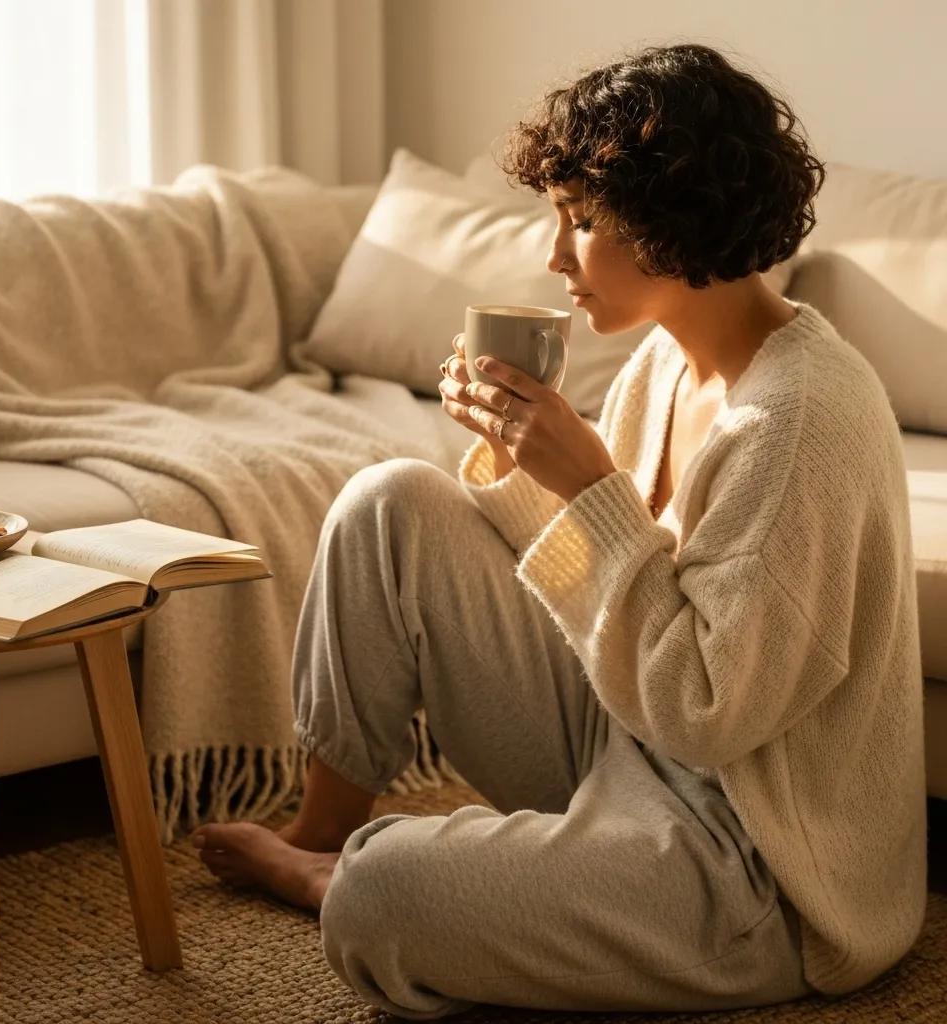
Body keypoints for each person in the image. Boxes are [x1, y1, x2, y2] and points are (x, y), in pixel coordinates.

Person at [191, 42, 927, 1019]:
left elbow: (709, 713)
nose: (553, 255)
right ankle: (323, 829)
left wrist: (586, 483)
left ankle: (334, 879)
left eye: (579, 221)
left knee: (382, 894)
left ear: (673, 216)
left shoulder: (795, 418)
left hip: (754, 869)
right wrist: (519, 455)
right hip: (628, 749)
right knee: (388, 502)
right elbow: (597, 591)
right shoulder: (667, 364)